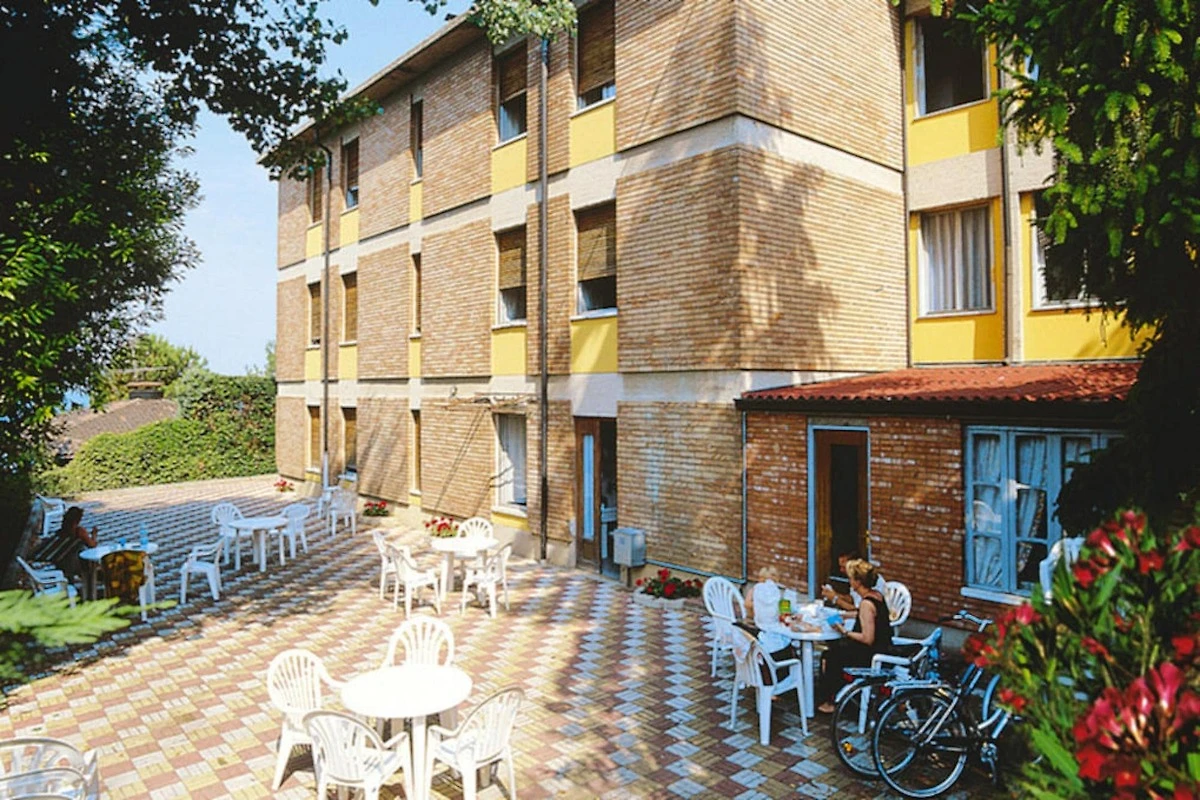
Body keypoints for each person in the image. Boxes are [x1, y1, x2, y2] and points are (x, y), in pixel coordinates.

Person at [815, 559, 892, 713]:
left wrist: (844, 631)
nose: (849, 582)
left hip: (872, 654)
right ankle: (839, 694)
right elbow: (866, 615)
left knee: (830, 656)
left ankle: (830, 701)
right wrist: (845, 615)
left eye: (851, 578)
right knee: (836, 649)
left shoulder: (866, 604)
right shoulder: (876, 596)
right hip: (884, 646)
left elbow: (867, 638)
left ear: (858, 582)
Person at [741, 566, 798, 685]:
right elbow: (784, 612)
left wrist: (759, 607)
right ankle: (789, 676)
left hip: (757, 630)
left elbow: (747, 604)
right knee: (787, 640)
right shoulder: (775, 592)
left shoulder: (756, 590)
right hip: (764, 632)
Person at [821, 550, 886, 611]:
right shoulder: (855, 580)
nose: (841, 570)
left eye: (844, 567)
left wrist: (835, 599)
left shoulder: (871, 583)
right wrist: (834, 594)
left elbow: (858, 610)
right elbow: (853, 599)